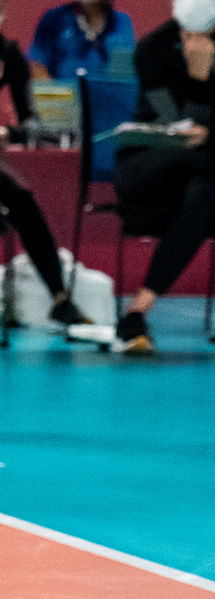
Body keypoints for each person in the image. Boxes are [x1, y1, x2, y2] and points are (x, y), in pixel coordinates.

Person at [0, 0, 91, 327]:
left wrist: (6, 131)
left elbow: (33, 122)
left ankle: (60, 298)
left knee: (23, 201)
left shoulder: (6, 53)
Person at [111, 0, 215, 355]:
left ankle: (138, 310)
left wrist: (202, 79)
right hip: (149, 169)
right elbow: (180, 127)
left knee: (205, 192)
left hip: (200, 181)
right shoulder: (153, 48)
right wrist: (199, 79)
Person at [27, 0, 135, 80]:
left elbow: (126, 76)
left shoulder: (121, 23)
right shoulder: (53, 19)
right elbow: (37, 67)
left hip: (109, 103)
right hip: (63, 105)